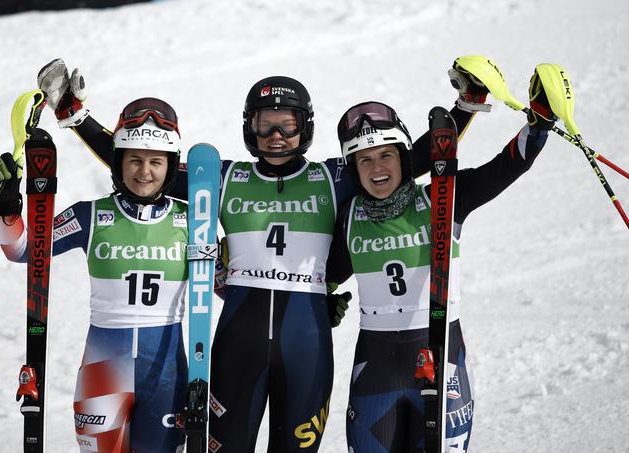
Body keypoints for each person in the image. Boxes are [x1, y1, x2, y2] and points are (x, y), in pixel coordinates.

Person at [35, 58, 488, 452]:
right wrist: (77, 118)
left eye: (287, 124)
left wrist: (463, 109)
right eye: (264, 124)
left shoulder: (334, 177)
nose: (275, 135)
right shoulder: (223, 178)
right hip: (239, 342)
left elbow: (407, 159)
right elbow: (145, 161)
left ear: (304, 127)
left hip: (306, 342)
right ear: (248, 127)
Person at [325, 71, 556, 452]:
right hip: (374, 369)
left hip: (442, 357)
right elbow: (326, 277)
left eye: (386, 155)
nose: (377, 168)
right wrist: (322, 303)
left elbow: (505, 167)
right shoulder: (350, 217)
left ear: (404, 157)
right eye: (364, 160)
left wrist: (538, 123)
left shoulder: (442, 198)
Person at [0, 98, 189, 452]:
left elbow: (228, 287)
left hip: (166, 374)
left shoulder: (192, 222)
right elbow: (23, 251)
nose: (144, 171)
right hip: (103, 369)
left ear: (170, 167)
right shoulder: (89, 216)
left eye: (156, 161)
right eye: (134, 160)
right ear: (118, 163)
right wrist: (8, 209)